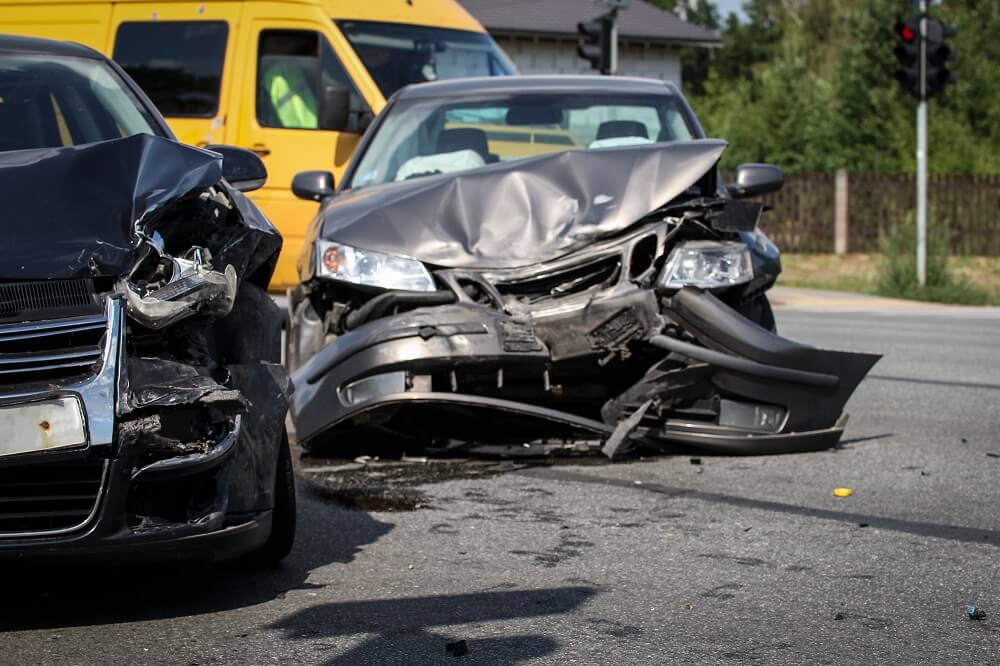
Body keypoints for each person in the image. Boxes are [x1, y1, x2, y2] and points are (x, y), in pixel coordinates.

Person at [263, 59, 317, 129]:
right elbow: (287, 113)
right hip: (306, 131)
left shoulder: (292, 66)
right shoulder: (277, 76)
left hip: (310, 129)